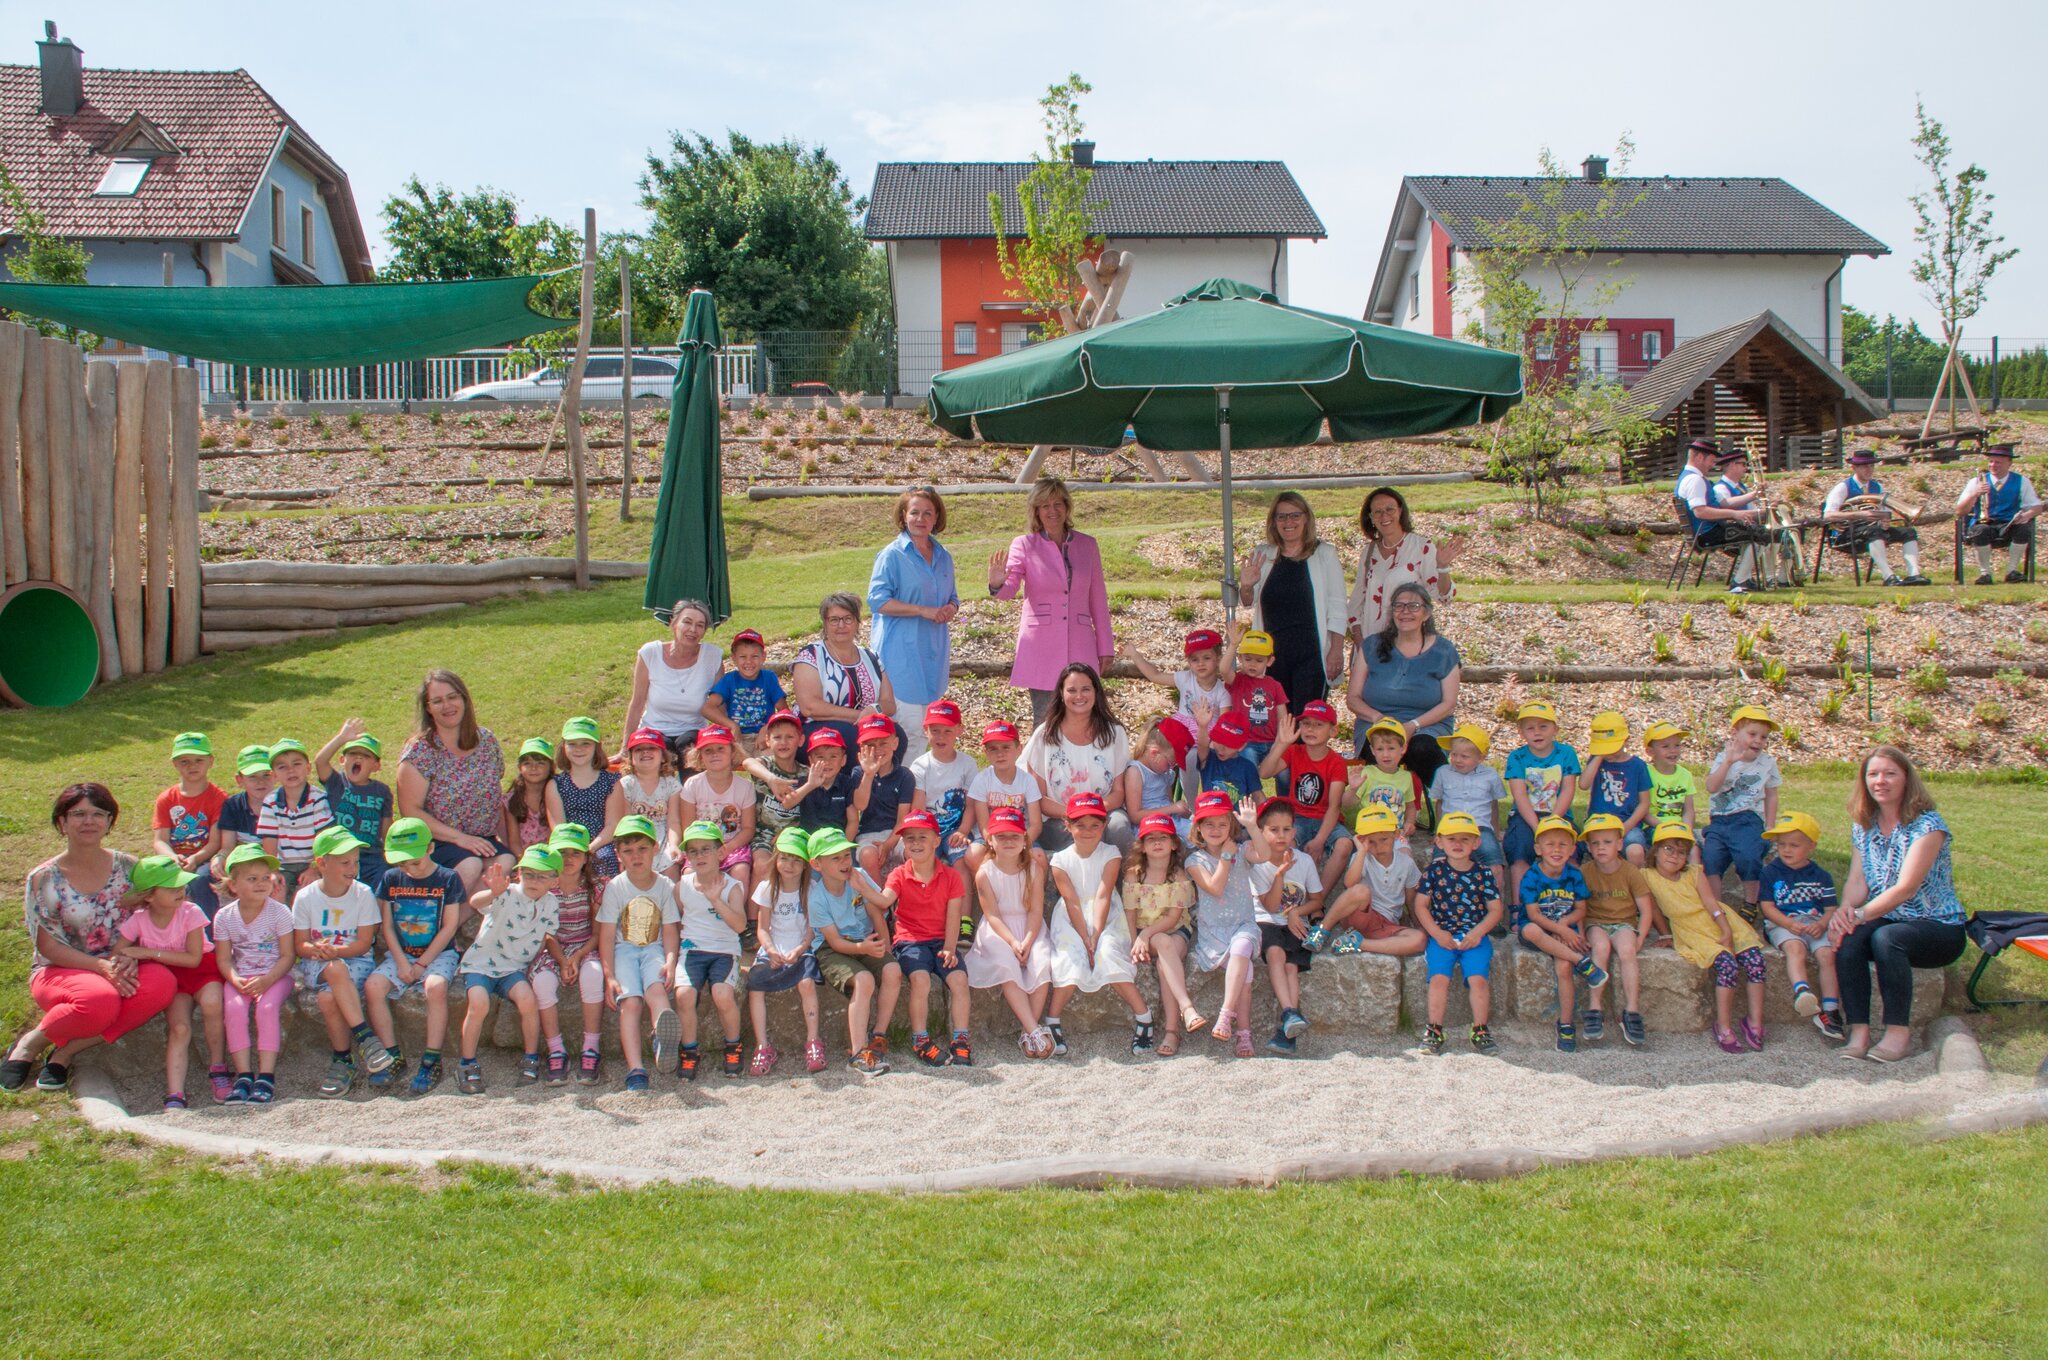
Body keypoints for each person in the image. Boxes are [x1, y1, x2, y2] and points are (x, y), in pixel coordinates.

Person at [4, 785, 172, 1095]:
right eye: (78, 814)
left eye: (98, 814)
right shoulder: (44, 878)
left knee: (162, 983)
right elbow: (48, 947)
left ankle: (64, 1053)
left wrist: (130, 955)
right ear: (62, 822)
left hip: (119, 961)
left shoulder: (129, 867)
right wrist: (101, 967)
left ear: (110, 822)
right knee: (99, 1001)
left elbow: (151, 916)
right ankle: (30, 1043)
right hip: (61, 969)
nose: (89, 821)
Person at [1827, 746, 1968, 1062]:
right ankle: (1859, 1032)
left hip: (1938, 928)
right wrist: (1845, 913)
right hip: (1890, 919)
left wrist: (1861, 914)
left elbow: (1906, 888)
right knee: (1850, 941)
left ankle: (1898, 1035)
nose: (1880, 781)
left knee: (1886, 938)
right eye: (1873, 774)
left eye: (1890, 773)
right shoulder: (1864, 824)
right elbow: (1857, 881)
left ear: (1906, 779)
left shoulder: (1927, 825)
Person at [987, 476, 1115, 724]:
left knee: (1083, 718)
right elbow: (1008, 591)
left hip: (1081, 643)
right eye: (1045, 505)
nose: (1052, 511)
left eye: (1057, 504)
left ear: (1067, 507)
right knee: (1045, 721)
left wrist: (1105, 646)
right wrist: (996, 583)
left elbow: (1098, 598)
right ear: (1036, 511)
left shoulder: (1088, 545)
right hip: (1040, 647)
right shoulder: (1024, 545)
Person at [855, 809, 972, 1068]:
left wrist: (951, 948)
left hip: (942, 940)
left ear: (936, 840)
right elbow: (885, 900)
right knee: (920, 981)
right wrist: (863, 886)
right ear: (903, 844)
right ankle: (920, 1039)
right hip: (910, 940)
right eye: (909, 839)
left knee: (960, 980)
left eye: (922, 837)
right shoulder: (899, 874)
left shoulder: (951, 876)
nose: (916, 844)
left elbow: (954, 915)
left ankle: (960, 1038)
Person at [1642, 822, 1768, 1053]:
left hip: (1718, 920)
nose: (1674, 856)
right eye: (1668, 849)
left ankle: (1755, 1021)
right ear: (1656, 850)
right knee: (1727, 965)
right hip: (1690, 930)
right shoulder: (1647, 877)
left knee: (1755, 961)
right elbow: (1654, 911)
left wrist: (1726, 929)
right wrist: (1666, 934)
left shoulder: (1694, 873)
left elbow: (1711, 903)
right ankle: (1723, 1026)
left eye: (1681, 852)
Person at [363, 818, 466, 1096]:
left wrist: (421, 964)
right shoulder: (391, 879)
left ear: (431, 848)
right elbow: (387, 926)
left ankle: (431, 1059)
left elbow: (449, 926)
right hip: (401, 953)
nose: (409, 869)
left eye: (415, 862)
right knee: (373, 987)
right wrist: (400, 962)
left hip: (438, 954)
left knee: (436, 987)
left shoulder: (448, 878)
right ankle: (391, 1055)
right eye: (403, 864)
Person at [291, 826, 393, 1098]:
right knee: (334, 971)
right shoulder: (305, 897)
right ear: (321, 864)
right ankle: (366, 1038)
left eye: (356, 861)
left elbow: (363, 943)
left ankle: (343, 1060)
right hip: (319, 963)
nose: (353, 868)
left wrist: (335, 951)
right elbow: (299, 944)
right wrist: (316, 949)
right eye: (345, 862)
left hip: (356, 961)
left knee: (326, 1000)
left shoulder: (362, 894)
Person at [1045, 792, 1150, 1055]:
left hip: (1107, 914)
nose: (1088, 831)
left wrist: (1096, 935)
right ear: (1067, 825)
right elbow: (1071, 901)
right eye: (1080, 825)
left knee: (1108, 953)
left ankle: (1144, 1017)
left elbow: (1103, 894)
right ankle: (1053, 1021)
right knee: (1070, 957)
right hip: (1073, 917)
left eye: (1095, 825)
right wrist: (1084, 937)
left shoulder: (1111, 853)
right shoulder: (1060, 861)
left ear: (1104, 826)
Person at [115, 854, 222, 1110]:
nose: (181, 890)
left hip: (201, 970)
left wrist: (148, 953)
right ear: (149, 896)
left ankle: (218, 1067)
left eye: (181, 885)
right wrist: (128, 960)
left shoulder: (190, 912)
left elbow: (194, 959)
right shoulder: (139, 920)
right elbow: (118, 952)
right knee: (180, 1028)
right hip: (170, 979)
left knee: (212, 1003)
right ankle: (175, 1093)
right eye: (171, 887)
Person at [454, 847, 561, 1094]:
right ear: (518, 874)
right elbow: (475, 902)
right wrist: (493, 892)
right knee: (479, 1003)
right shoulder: (507, 893)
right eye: (529, 874)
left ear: (555, 880)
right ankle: (466, 1061)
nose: (534, 881)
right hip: (482, 963)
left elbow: (548, 935)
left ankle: (531, 1057)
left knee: (527, 999)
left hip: (513, 968)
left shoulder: (551, 903)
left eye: (542, 876)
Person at [396, 669, 512, 892]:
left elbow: (496, 797)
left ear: (464, 699)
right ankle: (438, 921)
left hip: (481, 839)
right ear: (428, 708)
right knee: (470, 865)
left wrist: (506, 842)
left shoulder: (486, 741)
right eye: (438, 701)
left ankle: (453, 924)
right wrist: (460, 839)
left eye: (452, 697)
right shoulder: (420, 751)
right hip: (438, 841)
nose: (447, 706)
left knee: (503, 863)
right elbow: (410, 811)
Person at [868, 485, 959, 765]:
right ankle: (904, 799)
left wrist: (949, 609)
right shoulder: (892, 555)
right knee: (906, 734)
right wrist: (923, 611)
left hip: (932, 655)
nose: (921, 519)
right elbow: (877, 601)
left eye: (927, 513)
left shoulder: (943, 556)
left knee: (927, 731)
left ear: (936, 518)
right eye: (915, 512)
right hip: (900, 657)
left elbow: (953, 597)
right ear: (904, 516)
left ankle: (918, 798)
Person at [1344, 581, 1461, 794]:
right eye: (1399, 606)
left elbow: (1448, 704)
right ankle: (1382, 814)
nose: (1405, 611)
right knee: (1380, 750)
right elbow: (1352, 698)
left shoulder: (1444, 651)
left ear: (1426, 614)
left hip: (1427, 726)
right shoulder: (1372, 646)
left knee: (1422, 749)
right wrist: (1379, 719)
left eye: (1414, 606)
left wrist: (1412, 726)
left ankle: (1452, 804)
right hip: (1377, 723)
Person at [1238, 492, 1349, 712]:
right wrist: (1247, 586)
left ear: (1306, 518)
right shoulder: (1263, 554)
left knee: (1306, 720)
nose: (1288, 522)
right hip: (1270, 657)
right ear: (1273, 522)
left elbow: (1337, 607)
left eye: (1295, 515)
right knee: (1275, 723)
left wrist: (1336, 651)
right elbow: (1247, 602)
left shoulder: (1324, 554)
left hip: (1311, 655)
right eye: (1281, 517)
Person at [596, 815, 682, 1094]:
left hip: (654, 949)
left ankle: (662, 1034)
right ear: (619, 855)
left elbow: (670, 929)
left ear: (655, 848)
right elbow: (607, 934)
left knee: (656, 990)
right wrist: (608, 976)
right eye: (628, 851)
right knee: (630, 1004)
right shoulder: (616, 887)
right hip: (624, 951)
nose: (636, 856)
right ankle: (636, 1068)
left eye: (642, 849)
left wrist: (670, 960)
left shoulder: (665, 887)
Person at [804, 827, 901, 1076]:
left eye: (846, 855)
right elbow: (835, 943)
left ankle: (878, 1035)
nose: (844, 862)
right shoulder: (817, 898)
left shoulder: (858, 877)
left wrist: (886, 946)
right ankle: (858, 1054)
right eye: (835, 858)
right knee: (864, 980)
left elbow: (876, 911)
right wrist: (863, 947)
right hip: (833, 948)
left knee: (892, 970)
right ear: (817, 864)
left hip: (864, 939)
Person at [963, 807, 1055, 1058]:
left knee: (1042, 961)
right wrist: (1013, 942)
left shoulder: (1033, 869)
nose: (1008, 841)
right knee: (1006, 964)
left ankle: (1029, 1031)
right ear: (990, 840)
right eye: (1001, 836)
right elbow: (992, 915)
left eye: (1014, 836)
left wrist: (1026, 939)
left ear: (1025, 840)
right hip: (999, 930)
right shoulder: (985, 873)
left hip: (1029, 927)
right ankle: (1034, 1030)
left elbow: (1036, 910)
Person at [212, 844, 298, 1103]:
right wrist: (235, 979)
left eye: (265, 878)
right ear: (234, 885)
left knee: (267, 1008)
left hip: (276, 975)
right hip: (242, 976)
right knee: (235, 1008)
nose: (261, 884)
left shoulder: (279, 912)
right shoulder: (224, 917)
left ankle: (266, 1076)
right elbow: (224, 958)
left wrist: (268, 980)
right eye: (252, 879)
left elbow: (287, 956)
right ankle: (244, 1075)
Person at [1514, 816, 1608, 1053]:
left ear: (1573, 849)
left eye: (1563, 844)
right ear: (1538, 849)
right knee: (1532, 929)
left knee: (1564, 967)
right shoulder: (1532, 876)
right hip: (1540, 930)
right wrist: (1559, 929)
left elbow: (1581, 909)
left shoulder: (1574, 875)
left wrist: (1567, 927)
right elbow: (1533, 915)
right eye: (1550, 844)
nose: (1556, 850)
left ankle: (1566, 1024)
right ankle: (1583, 963)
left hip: (1563, 932)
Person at [1414, 812, 1504, 1057]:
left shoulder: (1483, 873)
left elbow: (1495, 910)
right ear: (1439, 842)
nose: (1458, 844)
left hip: (1474, 936)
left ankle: (1480, 1028)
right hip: (1441, 935)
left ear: (1476, 843)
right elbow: (1421, 905)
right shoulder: (1434, 871)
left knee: (1478, 979)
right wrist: (1436, 933)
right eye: (1451, 838)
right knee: (1439, 978)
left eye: (1465, 839)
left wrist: (1478, 933)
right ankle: (1434, 1029)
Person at [1186, 791, 1265, 1059]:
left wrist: (1252, 826)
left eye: (1222, 823)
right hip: (1214, 934)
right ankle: (1244, 1034)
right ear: (1198, 827)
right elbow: (1215, 888)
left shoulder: (1242, 850)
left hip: (1243, 924)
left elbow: (1264, 854)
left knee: (1242, 947)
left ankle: (1225, 1015)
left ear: (1231, 826)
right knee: (1246, 969)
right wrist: (1226, 858)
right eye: (1209, 824)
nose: (1216, 829)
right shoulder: (1194, 861)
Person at [1023, 663, 1134, 852]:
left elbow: (1118, 792)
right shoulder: (1045, 735)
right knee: (1079, 834)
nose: (1079, 696)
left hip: (1105, 811)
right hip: (1059, 817)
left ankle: (1128, 881)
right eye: (1072, 690)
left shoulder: (1114, 733)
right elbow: (1038, 798)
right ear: (1061, 693)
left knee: (1119, 828)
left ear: (1096, 692)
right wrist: (1077, 814)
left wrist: (1092, 812)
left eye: (1085, 689)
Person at [673, 821, 749, 1079]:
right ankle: (690, 1050)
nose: (699, 856)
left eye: (706, 849)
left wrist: (716, 899)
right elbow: (678, 920)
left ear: (720, 853)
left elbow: (739, 925)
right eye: (693, 851)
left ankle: (733, 1044)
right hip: (692, 950)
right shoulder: (682, 885)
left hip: (724, 951)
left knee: (722, 994)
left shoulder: (731, 886)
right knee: (683, 995)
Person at [1758, 811, 1844, 1041]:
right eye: (1781, 844)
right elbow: (1767, 907)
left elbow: (1830, 908)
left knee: (1827, 954)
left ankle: (1831, 1009)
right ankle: (1802, 991)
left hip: (1815, 924)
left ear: (1811, 846)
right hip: (1782, 923)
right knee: (1796, 949)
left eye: (1794, 845)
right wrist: (1788, 923)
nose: (1786, 850)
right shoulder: (1770, 873)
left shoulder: (1821, 876)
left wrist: (1823, 924)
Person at [1248, 797, 1324, 1056]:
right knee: (1276, 954)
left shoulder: (1304, 861)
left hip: (1296, 924)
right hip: (1266, 921)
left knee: (1292, 966)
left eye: (1287, 829)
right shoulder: (1258, 864)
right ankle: (1290, 1014)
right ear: (1261, 831)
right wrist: (1279, 874)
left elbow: (1317, 900)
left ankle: (1287, 1025)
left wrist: (1296, 913)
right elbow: (1270, 906)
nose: (1281, 836)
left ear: (1294, 831)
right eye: (1274, 829)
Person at [747, 828, 826, 1076]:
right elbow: (762, 929)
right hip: (774, 946)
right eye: (784, 857)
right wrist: (769, 950)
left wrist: (801, 949)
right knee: (755, 986)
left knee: (806, 983)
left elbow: (813, 929)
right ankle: (762, 1045)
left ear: (805, 864)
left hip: (800, 946)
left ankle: (813, 1040)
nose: (789, 864)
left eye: (796, 859)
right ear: (776, 859)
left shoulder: (811, 889)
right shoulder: (767, 888)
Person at [530, 824, 603, 1084]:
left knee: (593, 975)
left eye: (575, 853)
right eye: (561, 853)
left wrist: (576, 957)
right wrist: (562, 961)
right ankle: (556, 1049)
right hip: (554, 949)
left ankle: (591, 1047)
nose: (568, 859)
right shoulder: (546, 888)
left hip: (584, 947)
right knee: (542, 983)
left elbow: (597, 933)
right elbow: (547, 933)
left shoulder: (594, 888)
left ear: (586, 857)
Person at [1123, 812, 1200, 1054]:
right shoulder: (1134, 873)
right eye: (1151, 839)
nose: (1157, 843)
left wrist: (1146, 935)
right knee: (1163, 944)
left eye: (1163, 838)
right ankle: (1185, 1009)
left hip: (1175, 929)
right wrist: (1135, 939)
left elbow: (1173, 918)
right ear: (1142, 846)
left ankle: (1172, 1031)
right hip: (1146, 931)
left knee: (1164, 959)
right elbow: (1130, 912)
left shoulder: (1177, 875)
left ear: (1174, 844)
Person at [1576, 814, 1654, 1047]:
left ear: (1620, 844)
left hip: (1624, 923)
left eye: (1607, 842)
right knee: (1600, 948)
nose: (1601, 848)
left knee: (1628, 951)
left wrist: (1640, 934)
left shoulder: (1630, 871)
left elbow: (1646, 909)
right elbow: (1579, 907)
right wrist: (1580, 933)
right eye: (1596, 843)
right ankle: (1595, 1008)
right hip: (1596, 922)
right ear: (1588, 847)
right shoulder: (1585, 872)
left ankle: (1631, 1011)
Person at [791, 592, 901, 757]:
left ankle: (885, 782)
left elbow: (889, 704)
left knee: (897, 735)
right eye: (834, 620)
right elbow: (810, 707)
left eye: (848, 618)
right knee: (850, 737)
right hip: (814, 729)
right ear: (825, 624)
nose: (841, 625)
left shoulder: (871, 657)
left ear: (857, 623)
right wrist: (862, 717)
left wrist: (874, 708)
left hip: (864, 727)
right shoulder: (812, 655)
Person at [1348, 486, 1461, 642]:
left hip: (1406, 646)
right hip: (1370, 645)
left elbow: (1443, 597)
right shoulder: (1369, 552)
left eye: (1390, 509)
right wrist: (1359, 639)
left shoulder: (1421, 547)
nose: (1384, 516)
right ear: (1371, 517)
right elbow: (1357, 600)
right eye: (1378, 512)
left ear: (1400, 511)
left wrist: (1442, 567)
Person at [1703, 704, 1781, 927]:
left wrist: (1770, 826)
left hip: (1748, 818)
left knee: (1748, 856)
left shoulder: (1767, 763)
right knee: (1710, 858)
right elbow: (1711, 787)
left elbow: (1772, 795)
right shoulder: (1723, 758)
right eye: (1752, 734)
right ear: (1735, 733)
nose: (1758, 740)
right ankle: (1717, 906)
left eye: (1764, 737)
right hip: (1719, 819)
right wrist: (1729, 762)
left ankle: (1750, 902)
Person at [1261, 701, 1354, 885]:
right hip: (1298, 818)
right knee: (1284, 845)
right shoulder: (1294, 751)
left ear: (1333, 731)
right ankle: (1288, 896)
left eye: (1319, 725)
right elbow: (1264, 773)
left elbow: (1335, 807)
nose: (1311, 729)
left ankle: (1317, 901)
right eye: (1306, 724)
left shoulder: (1336, 762)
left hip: (1326, 820)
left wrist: (1320, 840)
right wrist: (1282, 744)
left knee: (1345, 845)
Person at [1313, 809, 1426, 959]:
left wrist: (1419, 926)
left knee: (1420, 940)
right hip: (1361, 915)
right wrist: (1361, 851)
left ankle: (1358, 943)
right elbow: (1349, 884)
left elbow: (1411, 899)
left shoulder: (1407, 863)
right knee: (1361, 890)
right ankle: (1322, 930)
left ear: (1397, 835)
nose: (1378, 847)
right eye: (1371, 841)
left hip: (1387, 924)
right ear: (1361, 840)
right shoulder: (1363, 858)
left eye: (1384, 839)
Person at [622, 599, 723, 761]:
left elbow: (720, 705)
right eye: (687, 622)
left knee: (690, 752)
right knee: (655, 756)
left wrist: (729, 737)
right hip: (654, 730)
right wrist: (624, 748)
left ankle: (692, 787)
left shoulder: (712, 656)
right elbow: (637, 703)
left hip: (693, 731)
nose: (693, 630)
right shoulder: (650, 654)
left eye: (700, 625)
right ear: (673, 623)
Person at [1118, 627, 1232, 770]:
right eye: (1194, 659)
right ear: (1189, 662)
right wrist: (1135, 655)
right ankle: (1148, 779)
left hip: (1207, 735)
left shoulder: (1222, 692)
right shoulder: (1185, 678)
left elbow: (1224, 723)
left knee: (1206, 755)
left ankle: (1201, 787)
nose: (1200, 663)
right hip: (1181, 730)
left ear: (1218, 659)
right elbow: (1155, 676)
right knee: (1159, 744)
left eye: (1206, 658)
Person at [1503, 699, 1580, 908]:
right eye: (1530, 728)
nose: (1537, 732)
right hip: (1526, 815)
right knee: (1519, 854)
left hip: (1560, 814)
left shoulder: (1566, 753)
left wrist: (1554, 821)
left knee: (1572, 853)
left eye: (1543, 726)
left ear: (1555, 729)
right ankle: (1520, 908)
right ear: (1521, 732)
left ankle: (1571, 904)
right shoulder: (1517, 757)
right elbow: (1519, 795)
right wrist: (1538, 827)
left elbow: (1568, 789)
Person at [1823, 449, 1928, 586]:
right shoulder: (1843, 487)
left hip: (1872, 530)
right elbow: (1827, 515)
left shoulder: (1877, 487)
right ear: (1854, 468)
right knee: (1874, 532)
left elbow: (1883, 512)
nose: (1869, 470)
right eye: (1865, 466)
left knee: (1908, 532)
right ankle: (1888, 576)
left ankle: (1914, 574)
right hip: (1846, 534)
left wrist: (1884, 521)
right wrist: (1860, 514)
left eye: (1871, 466)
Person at [1427, 722, 1508, 897]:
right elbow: (1439, 802)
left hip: (1480, 828)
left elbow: (1493, 804)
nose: (1457, 760)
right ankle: (1442, 908)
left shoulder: (1490, 776)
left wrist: (1495, 830)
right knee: (1439, 864)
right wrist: (1438, 831)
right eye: (1454, 754)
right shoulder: (1443, 772)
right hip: (1449, 828)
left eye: (1464, 756)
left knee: (1495, 867)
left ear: (1481, 757)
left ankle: (1495, 913)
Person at [153, 731, 225, 916]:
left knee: (200, 879)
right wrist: (172, 857)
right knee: (149, 878)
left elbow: (215, 842)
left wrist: (195, 859)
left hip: (204, 857)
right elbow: (160, 840)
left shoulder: (219, 798)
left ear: (211, 761)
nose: (192, 766)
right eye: (184, 761)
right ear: (175, 764)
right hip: (174, 858)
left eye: (198, 760)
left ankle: (208, 935)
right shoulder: (166, 799)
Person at [314, 723, 393, 889]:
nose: (358, 758)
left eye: (366, 755)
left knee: (383, 884)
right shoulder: (336, 783)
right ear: (342, 760)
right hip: (340, 852)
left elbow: (386, 825)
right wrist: (341, 738)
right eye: (353, 753)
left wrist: (390, 852)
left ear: (376, 766)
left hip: (372, 854)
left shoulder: (382, 791)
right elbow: (320, 761)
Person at [547, 716, 625, 878]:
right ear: (563, 747)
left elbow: (612, 825)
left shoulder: (611, 782)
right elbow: (558, 827)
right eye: (572, 744)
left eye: (586, 744)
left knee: (606, 859)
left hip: (601, 843)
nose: (579, 749)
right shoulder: (556, 784)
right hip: (567, 843)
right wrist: (575, 850)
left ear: (597, 747)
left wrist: (590, 848)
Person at [256, 738, 332, 903]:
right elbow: (269, 839)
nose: (290, 771)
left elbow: (322, 837)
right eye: (282, 767)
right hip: (284, 865)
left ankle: (307, 928)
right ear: (274, 775)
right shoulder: (271, 801)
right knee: (276, 891)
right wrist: (273, 870)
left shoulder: (317, 798)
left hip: (312, 862)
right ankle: (282, 927)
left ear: (308, 768)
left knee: (308, 895)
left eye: (296, 764)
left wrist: (314, 867)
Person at [1706, 446, 1789, 593]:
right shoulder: (1720, 488)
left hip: (1744, 527)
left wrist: (1768, 508)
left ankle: (1774, 578)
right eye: (1743, 464)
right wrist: (1755, 497)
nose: (1746, 468)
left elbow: (1752, 510)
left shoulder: (1742, 487)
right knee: (1760, 537)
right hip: (1730, 529)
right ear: (1731, 465)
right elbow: (1727, 506)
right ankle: (1740, 581)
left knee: (1778, 534)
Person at [1955, 443, 2041, 584]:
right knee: (1980, 531)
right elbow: (1960, 511)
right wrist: (1975, 494)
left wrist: (2027, 515)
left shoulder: (2021, 481)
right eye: (1991, 461)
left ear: (2009, 463)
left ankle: (2012, 571)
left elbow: (2036, 506)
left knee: (2023, 530)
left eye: (1998, 462)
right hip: (1983, 523)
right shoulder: (1976, 481)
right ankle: (1985, 573)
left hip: (2008, 523)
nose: (1993, 465)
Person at [1582, 712, 1653, 866]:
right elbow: (1583, 784)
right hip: (1598, 823)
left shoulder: (1638, 766)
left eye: (1611, 747)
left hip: (1627, 823)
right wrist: (1598, 756)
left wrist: (1627, 826)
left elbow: (1644, 803)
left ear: (1625, 741)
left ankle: (1635, 886)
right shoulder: (1597, 761)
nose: (1608, 752)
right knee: (1600, 849)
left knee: (1635, 851)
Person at [701, 628, 786, 753]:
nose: (749, 662)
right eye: (742, 657)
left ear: (763, 657)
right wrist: (732, 725)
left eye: (755, 656)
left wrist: (768, 727)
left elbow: (784, 711)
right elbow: (707, 708)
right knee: (722, 756)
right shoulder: (729, 679)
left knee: (768, 760)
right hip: (738, 736)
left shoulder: (769, 678)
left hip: (764, 736)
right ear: (734, 658)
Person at [618, 727, 686, 875]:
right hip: (635, 835)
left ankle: (670, 897)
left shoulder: (671, 785)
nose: (645, 752)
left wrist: (674, 844)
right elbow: (626, 821)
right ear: (631, 758)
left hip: (663, 835)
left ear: (663, 756)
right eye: (638, 749)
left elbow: (673, 821)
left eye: (651, 748)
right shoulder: (626, 784)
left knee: (672, 864)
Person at [1223, 624, 1290, 767]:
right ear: (1240, 658)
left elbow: (1282, 718)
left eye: (1259, 660)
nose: (1253, 664)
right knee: (1249, 767)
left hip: (1272, 741)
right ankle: (1251, 790)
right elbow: (1223, 669)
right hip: (1246, 743)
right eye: (1248, 659)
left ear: (1270, 661)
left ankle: (1285, 791)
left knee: (1284, 770)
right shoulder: (1238, 680)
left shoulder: (1275, 685)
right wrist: (1233, 645)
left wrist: (1279, 743)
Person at [503, 738, 556, 855]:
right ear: (519, 767)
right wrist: (524, 862)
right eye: (527, 763)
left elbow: (556, 835)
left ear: (551, 766)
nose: (533, 768)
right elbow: (514, 841)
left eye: (540, 763)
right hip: (523, 857)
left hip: (551, 857)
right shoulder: (512, 799)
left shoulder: (558, 795)